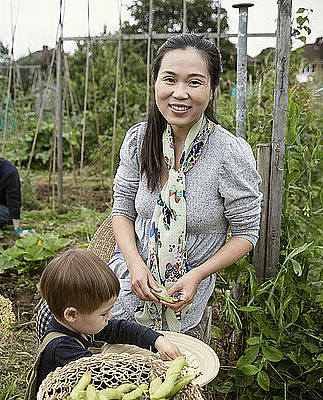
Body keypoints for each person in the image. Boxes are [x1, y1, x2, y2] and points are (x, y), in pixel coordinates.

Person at [109, 33, 262, 337]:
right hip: (127, 285)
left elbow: (246, 234)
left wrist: (197, 275)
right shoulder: (139, 140)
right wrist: (135, 266)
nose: (179, 93)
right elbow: (122, 210)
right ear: (156, 84)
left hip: (184, 300)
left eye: (194, 82)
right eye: (169, 80)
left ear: (213, 90)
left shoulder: (229, 153)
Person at [25, 248, 181, 400]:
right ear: (72, 314)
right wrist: (155, 370)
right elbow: (103, 374)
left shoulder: (81, 324)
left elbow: (121, 329)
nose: (110, 316)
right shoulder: (61, 347)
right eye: (104, 313)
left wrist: (156, 340)